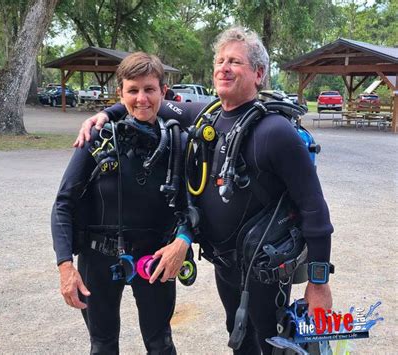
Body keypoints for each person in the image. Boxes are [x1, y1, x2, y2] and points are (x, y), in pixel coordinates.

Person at [74, 26, 333, 354]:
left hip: (263, 269)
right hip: (227, 266)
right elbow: (149, 104)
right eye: (220, 60)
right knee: (239, 338)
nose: (224, 67)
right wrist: (103, 114)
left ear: (259, 73)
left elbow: (314, 208)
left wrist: (319, 283)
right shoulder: (208, 116)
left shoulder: (276, 133)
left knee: (269, 342)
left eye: (235, 62)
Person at [52, 52, 191, 355]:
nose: (142, 98)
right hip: (99, 256)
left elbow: (192, 204)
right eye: (133, 90)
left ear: (163, 92)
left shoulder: (179, 143)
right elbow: (63, 203)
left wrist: (182, 240)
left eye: (150, 89)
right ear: (121, 93)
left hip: (155, 258)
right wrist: (65, 266)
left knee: (161, 343)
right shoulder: (98, 138)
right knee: (102, 345)